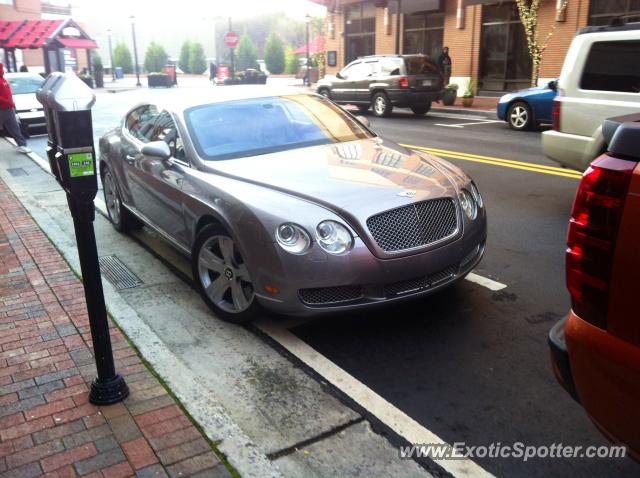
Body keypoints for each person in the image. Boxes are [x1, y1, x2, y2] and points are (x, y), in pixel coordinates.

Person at [0, 63, 31, 154]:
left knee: (14, 127)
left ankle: (22, 145)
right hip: (3, 108)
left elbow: (7, 94)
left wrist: (11, 103)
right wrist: (8, 102)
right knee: (13, 127)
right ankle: (22, 145)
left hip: (8, 108)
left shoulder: (3, 80)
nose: (3, 70)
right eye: (1, 69)